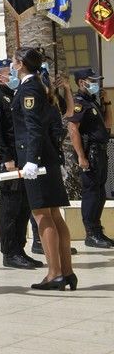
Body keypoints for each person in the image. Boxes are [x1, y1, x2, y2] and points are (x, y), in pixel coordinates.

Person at [11, 47, 75, 290]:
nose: (11, 63)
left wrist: (31, 160)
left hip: (36, 160)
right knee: (55, 215)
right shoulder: (39, 87)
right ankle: (67, 272)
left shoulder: (29, 89)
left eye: (13, 60)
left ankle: (54, 274)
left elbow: (33, 127)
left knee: (42, 216)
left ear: (20, 64)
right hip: (47, 157)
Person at [0, 58, 39, 268]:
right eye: (9, 72)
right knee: (11, 208)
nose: (13, 74)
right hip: (8, 163)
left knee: (23, 207)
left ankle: (19, 249)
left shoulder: (13, 97)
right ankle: (10, 252)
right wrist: (6, 159)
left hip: (21, 160)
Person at [66, 67, 111, 248]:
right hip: (90, 152)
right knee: (91, 193)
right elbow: (73, 128)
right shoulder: (79, 103)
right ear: (81, 82)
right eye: (92, 81)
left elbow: (108, 124)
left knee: (100, 193)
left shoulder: (92, 102)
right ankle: (90, 233)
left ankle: (97, 230)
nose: (96, 84)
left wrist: (106, 102)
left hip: (100, 151)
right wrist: (81, 156)